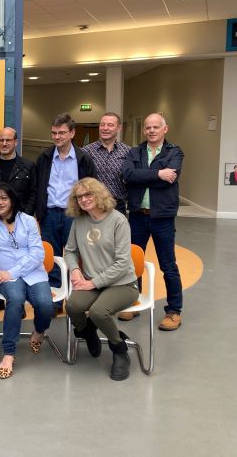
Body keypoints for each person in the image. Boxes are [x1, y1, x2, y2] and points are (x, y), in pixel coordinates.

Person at [0, 182, 53, 379]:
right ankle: (9, 353)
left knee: (45, 305)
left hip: (32, 272)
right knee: (16, 301)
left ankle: (39, 331)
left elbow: (37, 253)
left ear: (12, 199)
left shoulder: (27, 221)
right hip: (3, 272)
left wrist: (13, 272)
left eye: (3, 198)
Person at [64, 178, 139, 381]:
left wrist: (92, 283)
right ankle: (88, 333)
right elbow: (70, 251)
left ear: (99, 195)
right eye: (79, 197)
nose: (84, 200)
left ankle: (119, 349)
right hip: (91, 281)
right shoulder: (79, 221)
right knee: (72, 306)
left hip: (122, 284)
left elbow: (123, 262)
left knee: (98, 312)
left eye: (88, 194)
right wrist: (75, 271)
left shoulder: (118, 220)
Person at [123, 113, 184, 331]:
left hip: (163, 217)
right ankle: (133, 302)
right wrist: (159, 173)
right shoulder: (134, 152)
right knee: (133, 263)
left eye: (155, 127)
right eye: (147, 127)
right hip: (138, 215)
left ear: (164, 129)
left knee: (168, 265)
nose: (151, 130)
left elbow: (170, 180)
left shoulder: (175, 152)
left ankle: (174, 311)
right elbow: (128, 175)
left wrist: (145, 176)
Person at [35, 114, 96, 307]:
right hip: (49, 214)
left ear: (72, 133)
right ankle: (54, 299)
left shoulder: (84, 159)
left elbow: (91, 187)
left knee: (74, 256)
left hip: (74, 215)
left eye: (62, 132)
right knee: (51, 257)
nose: (57, 136)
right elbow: (37, 186)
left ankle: (74, 298)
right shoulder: (44, 157)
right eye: (54, 133)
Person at [0, 126, 37, 316]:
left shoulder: (28, 166)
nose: (4, 143)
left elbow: (33, 194)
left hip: (19, 223)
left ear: (15, 142)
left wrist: (24, 217)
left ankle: (18, 302)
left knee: (19, 259)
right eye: (1, 140)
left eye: (8, 140)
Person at [82, 112, 131, 214]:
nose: (105, 128)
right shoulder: (86, 151)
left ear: (119, 128)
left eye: (110, 125)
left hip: (118, 205)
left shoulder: (127, 151)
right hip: (93, 204)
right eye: (102, 124)